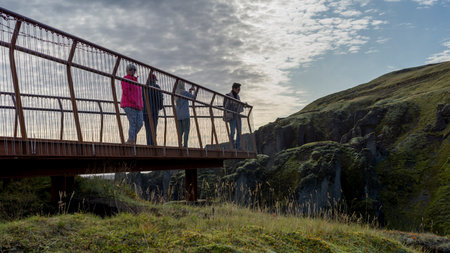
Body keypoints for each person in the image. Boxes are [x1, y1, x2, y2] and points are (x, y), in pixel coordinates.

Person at [121, 64, 143, 144]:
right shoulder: (126, 79)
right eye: (131, 69)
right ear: (127, 70)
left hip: (138, 106)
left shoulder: (136, 81)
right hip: (129, 105)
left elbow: (139, 95)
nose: (133, 71)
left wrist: (140, 104)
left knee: (140, 123)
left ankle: (131, 138)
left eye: (134, 69)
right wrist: (134, 101)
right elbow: (126, 91)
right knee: (133, 123)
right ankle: (131, 140)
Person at [142, 74, 163, 146]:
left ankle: (149, 144)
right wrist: (160, 107)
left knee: (148, 129)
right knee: (153, 129)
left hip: (145, 112)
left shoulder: (143, 87)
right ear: (154, 80)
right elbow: (160, 99)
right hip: (154, 111)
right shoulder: (156, 87)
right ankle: (153, 145)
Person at [175, 80, 195, 147]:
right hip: (185, 115)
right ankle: (185, 145)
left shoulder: (176, 93)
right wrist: (194, 90)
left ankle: (179, 145)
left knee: (180, 132)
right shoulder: (184, 93)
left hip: (178, 115)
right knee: (186, 130)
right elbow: (193, 98)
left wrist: (189, 92)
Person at [224, 82, 244, 150]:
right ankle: (232, 147)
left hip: (237, 115)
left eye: (239, 89)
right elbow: (225, 106)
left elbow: (239, 105)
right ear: (234, 88)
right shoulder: (228, 95)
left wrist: (243, 104)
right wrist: (233, 104)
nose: (239, 91)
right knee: (232, 132)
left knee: (239, 132)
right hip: (232, 116)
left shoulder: (238, 97)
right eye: (238, 89)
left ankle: (238, 146)